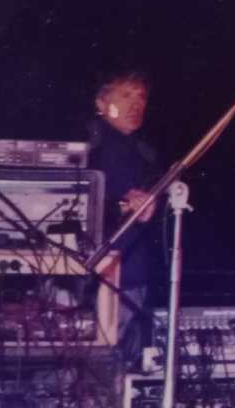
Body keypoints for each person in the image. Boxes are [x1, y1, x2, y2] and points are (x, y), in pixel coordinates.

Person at [87, 69, 159, 365]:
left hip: (131, 269)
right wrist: (122, 201)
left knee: (118, 359)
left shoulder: (143, 151)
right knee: (90, 357)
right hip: (94, 273)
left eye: (141, 97)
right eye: (126, 95)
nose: (135, 104)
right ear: (102, 103)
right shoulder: (90, 145)